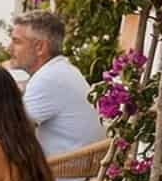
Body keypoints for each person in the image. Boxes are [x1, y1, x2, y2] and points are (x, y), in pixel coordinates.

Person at [11, 10, 105, 156]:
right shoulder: (60, 71)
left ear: (40, 47)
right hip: (74, 171)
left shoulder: (48, 78)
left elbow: (9, 131)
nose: (9, 48)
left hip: (60, 176)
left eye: (17, 42)